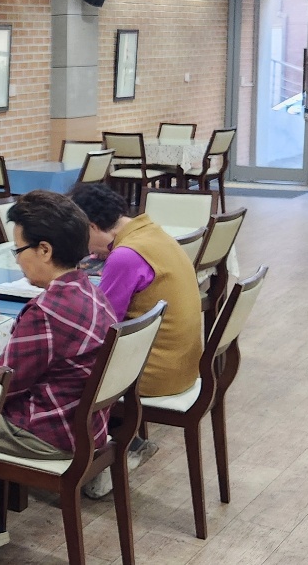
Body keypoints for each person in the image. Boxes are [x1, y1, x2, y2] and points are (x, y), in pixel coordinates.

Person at [0, 190, 119, 543]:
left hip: (53, 434)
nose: (17, 261)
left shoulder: (47, 311)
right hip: (89, 425)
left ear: (44, 249)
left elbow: (1, 386)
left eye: (18, 250)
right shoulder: (91, 290)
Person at [68, 184, 204, 495]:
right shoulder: (151, 231)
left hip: (156, 374)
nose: (88, 252)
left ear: (92, 226)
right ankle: (126, 443)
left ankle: (100, 458)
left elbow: (102, 325)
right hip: (183, 363)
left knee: (67, 370)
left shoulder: (125, 256)